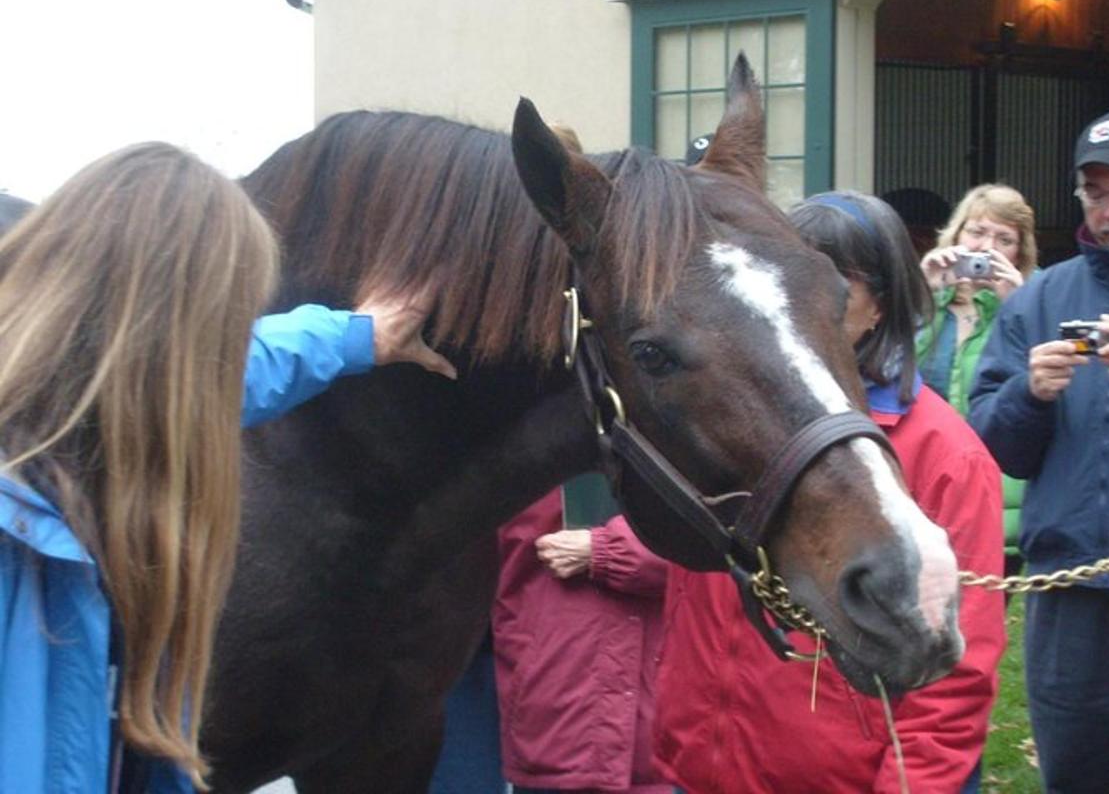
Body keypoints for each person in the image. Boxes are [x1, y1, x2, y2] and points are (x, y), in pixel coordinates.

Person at [0, 142, 455, 793]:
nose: (225, 362)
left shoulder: (97, 409)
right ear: (155, 334)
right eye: (222, 326)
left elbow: (237, 373)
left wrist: (358, 337)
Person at [653, 191, 1006, 794]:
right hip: (699, 769)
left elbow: (954, 677)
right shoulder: (744, 417)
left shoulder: (946, 456)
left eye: (832, 285)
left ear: (881, 306)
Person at [969, 108, 1109, 792]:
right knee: (1077, 774)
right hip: (1067, 581)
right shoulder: (1040, 300)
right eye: (1096, 193)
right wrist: (1029, 396)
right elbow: (993, 447)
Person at [492, 488, 672, 794]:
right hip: (552, 705)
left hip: (657, 720)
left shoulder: (680, 448)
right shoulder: (512, 450)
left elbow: (718, 553)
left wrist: (608, 550)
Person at [916, 184, 1037, 584]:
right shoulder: (925, 299)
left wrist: (1020, 307)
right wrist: (921, 294)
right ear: (955, 235)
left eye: (1005, 239)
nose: (988, 248)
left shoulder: (1031, 304)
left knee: (979, 631)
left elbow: (1044, 387)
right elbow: (885, 370)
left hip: (997, 498)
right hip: (922, 485)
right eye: (978, 233)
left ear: (1020, 253)